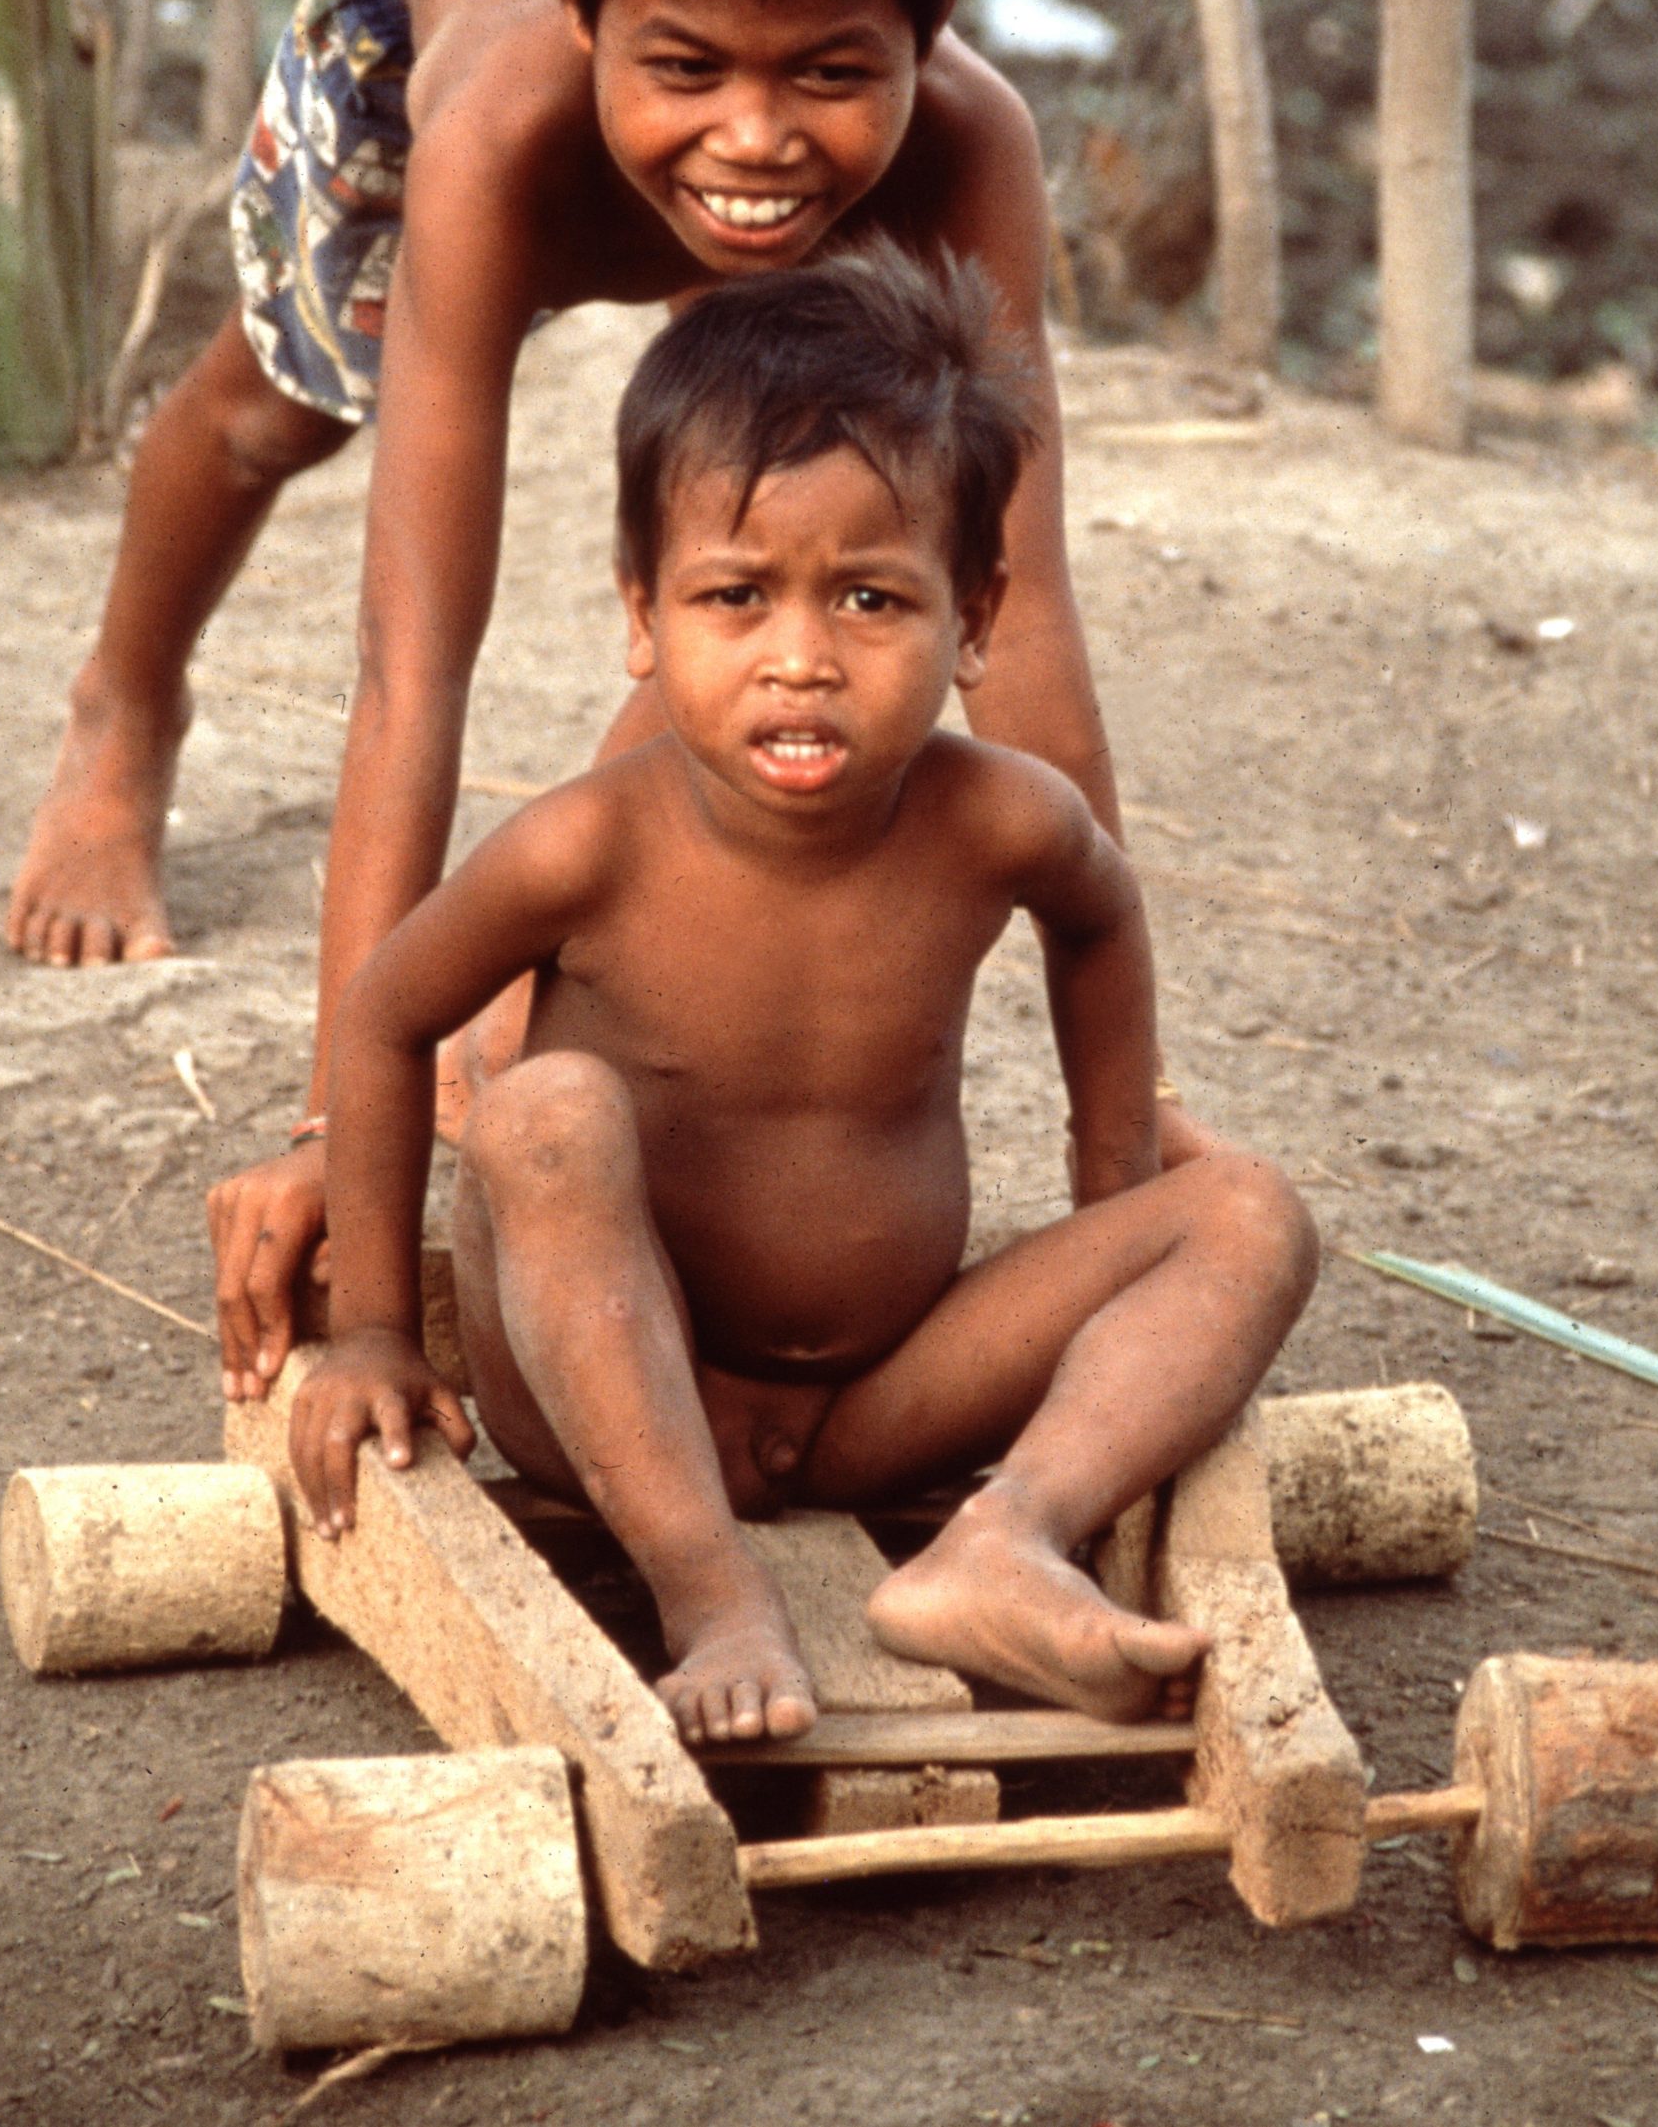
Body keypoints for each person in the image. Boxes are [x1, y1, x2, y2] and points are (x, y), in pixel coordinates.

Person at [3, 0, 1124, 1390]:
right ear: (595, 15)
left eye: (833, 70)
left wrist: (1113, 1138)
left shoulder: (963, 148)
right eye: (689, 66)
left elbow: (1020, 611)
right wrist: (332, 1118)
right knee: (269, 409)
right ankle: (124, 702)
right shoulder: (502, 129)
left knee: (774, 539)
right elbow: (410, 661)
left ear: (925, 35)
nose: (754, 137)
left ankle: (577, 935)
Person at [288, 250, 1318, 1745]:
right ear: (643, 616)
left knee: (1250, 1214)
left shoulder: (1001, 822)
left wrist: (1114, 1181)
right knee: (553, 1109)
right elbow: (386, 1014)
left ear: (973, 618)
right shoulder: (586, 845)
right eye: (735, 594)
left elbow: (1101, 917)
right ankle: (709, 1590)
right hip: (617, 1405)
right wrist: (379, 1327)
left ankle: (1004, 1539)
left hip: (883, 1402)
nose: (800, 659)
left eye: (869, 597)